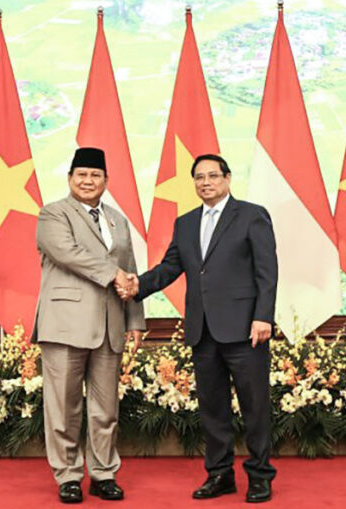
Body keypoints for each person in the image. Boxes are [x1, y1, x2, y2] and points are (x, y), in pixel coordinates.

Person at [120, 154, 277, 503]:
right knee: (213, 408)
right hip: (202, 330)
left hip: (246, 330)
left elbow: (267, 271)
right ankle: (220, 474)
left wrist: (263, 316)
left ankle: (260, 475)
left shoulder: (252, 215)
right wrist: (137, 286)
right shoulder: (186, 222)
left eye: (212, 176)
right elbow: (171, 266)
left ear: (228, 178)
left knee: (254, 406)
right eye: (199, 177)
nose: (206, 182)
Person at [33, 147, 145, 503]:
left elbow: (131, 271)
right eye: (81, 174)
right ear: (69, 179)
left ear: (106, 181)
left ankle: (103, 474)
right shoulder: (53, 214)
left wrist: (136, 320)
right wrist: (113, 273)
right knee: (64, 408)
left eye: (95, 175)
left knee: (106, 409)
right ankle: (68, 476)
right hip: (65, 325)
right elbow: (67, 253)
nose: (88, 180)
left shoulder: (116, 219)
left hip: (111, 327)